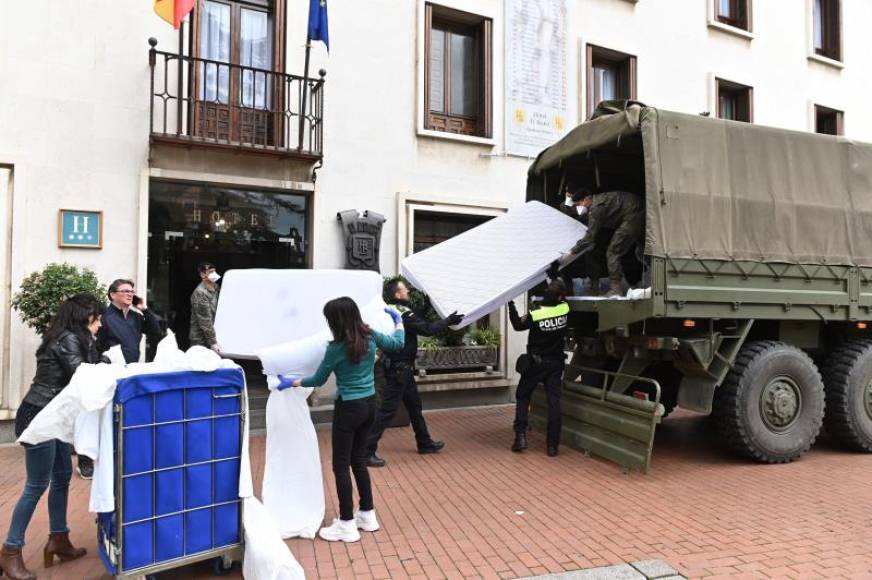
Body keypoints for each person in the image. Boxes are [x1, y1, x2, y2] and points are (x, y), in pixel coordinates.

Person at [281, 298, 405, 543]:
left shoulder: (336, 348)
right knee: (358, 460)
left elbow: (317, 379)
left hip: (349, 408)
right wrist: (398, 320)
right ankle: (367, 515)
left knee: (340, 465)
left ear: (335, 321)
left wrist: (291, 382)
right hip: (370, 404)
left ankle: (346, 523)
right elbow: (398, 343)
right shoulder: (370, 336)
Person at [0, 295, 102, 580]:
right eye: (96, 318)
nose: (99, 323)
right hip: (40, 417)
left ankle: (59, 539)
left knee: (61, 479)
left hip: (54, 415)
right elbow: (81, 376)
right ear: (83, 316)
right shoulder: (70, 339)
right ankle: (10, 551)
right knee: (36, 485)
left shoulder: (70, 337)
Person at [365, 279, 463, 467]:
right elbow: (426, 329)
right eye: (405, 289)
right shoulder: (403, 314)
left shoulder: (393, 309)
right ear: (397, 294)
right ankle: (366, 450)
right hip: (400, 368)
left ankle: (424, 442)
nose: (408, 290)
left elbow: (413, 319)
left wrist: (425, 307)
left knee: (414, 406)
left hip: (402, 369)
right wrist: (448, 321)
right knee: (387, 410)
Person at [507, 280, 569, 457]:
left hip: (536, 364)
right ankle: (552, 447)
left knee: (523, 395)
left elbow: (518, 325)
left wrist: (511, 304)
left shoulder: (536, 313)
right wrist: (555, 275)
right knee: (554, 402)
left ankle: (520, 439)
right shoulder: (564, 309)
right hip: (556, 364)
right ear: (560, 296)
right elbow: (563, 297)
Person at [563, 190, 644, 297]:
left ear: (586, 199)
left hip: (633, 215)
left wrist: (573, 251)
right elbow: (572, 212)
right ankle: (647, 281)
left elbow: (590, 237)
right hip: (639, 211)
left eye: (579, 204)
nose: (578, 207)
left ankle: (616, 289)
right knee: (642, 251)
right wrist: (567, 202)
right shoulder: (595, 203)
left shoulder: (596, 209)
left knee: (612, 252)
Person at [96, 278, 162, 364]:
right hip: (111, 369)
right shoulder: (104, 317)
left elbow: (155, 332)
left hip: (132, 369)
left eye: (132, 292)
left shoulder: (136, 317)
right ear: (113, 295)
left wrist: (145, 310)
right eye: (125, 291)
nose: (130, 294)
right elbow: (96, 347)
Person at [189, 262, 221, 352]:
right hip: (200, 341)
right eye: (210, 272)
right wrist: (213, 342)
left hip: (214, 336)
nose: (214, 274)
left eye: (214, 271)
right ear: (202, 274)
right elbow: (205, 320)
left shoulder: (216, 288)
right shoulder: (200, 293)